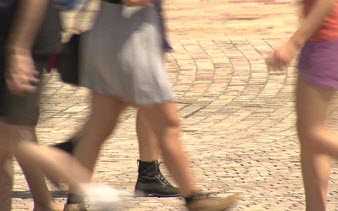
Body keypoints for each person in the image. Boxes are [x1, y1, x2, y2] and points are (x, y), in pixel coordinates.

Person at [61, 0, 239, 210]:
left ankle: (75, 202)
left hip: (103, 37)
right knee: (168, 125)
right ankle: (194, 198)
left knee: (98, 126)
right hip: (132, 43)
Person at [0, 1, 123, 210]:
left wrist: (18, 49)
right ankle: (50, 195)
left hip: (19, 37)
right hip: (15, 36)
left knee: (8, 136)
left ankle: (72, 175)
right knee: (9, 136)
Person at [53, 0, 179, 198]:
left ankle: (71, 163)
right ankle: (189, 195)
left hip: (137, 31)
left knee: (105, 118)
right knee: (157, 114)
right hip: (128, 36)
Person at [266, 0, 338, 210]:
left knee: (313, 132)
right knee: (308, 135)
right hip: (322, 38)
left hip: (331, 38)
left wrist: (293, 42)